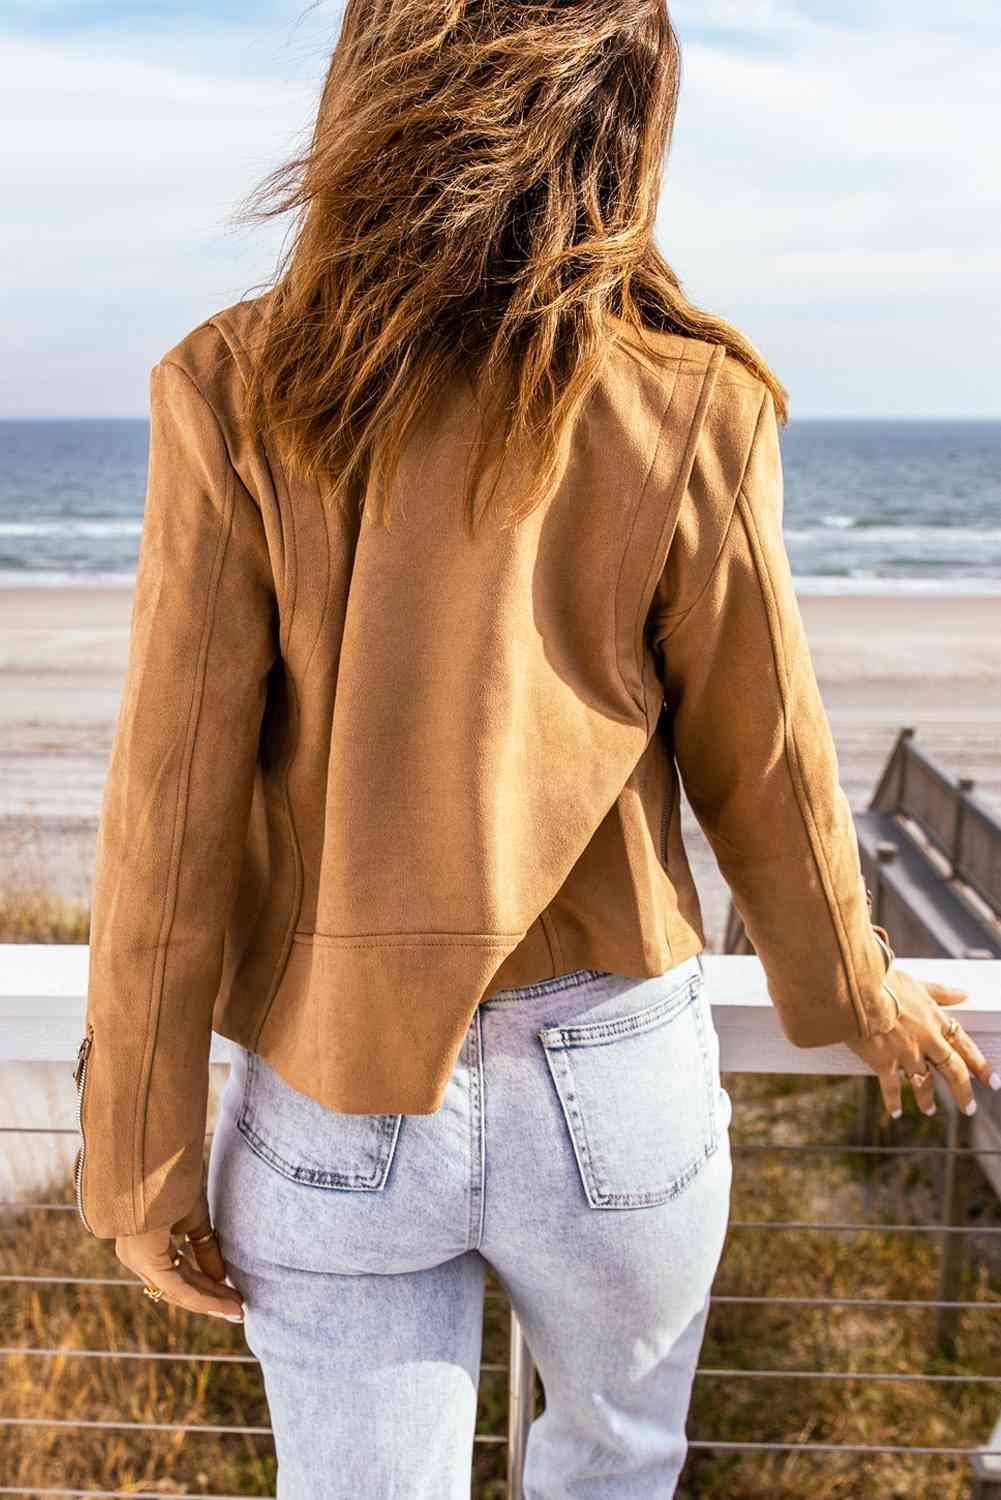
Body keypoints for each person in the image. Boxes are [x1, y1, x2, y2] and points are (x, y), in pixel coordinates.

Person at [72, 2, 997, 1495]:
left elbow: (167, 807)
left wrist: (138, 1161)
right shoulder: (693, 395)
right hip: (611, 1078)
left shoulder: (232, 383)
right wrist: (848, 986)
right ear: (623, 115)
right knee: (617, 1466)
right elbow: (763, 761)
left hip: (332, 1082)